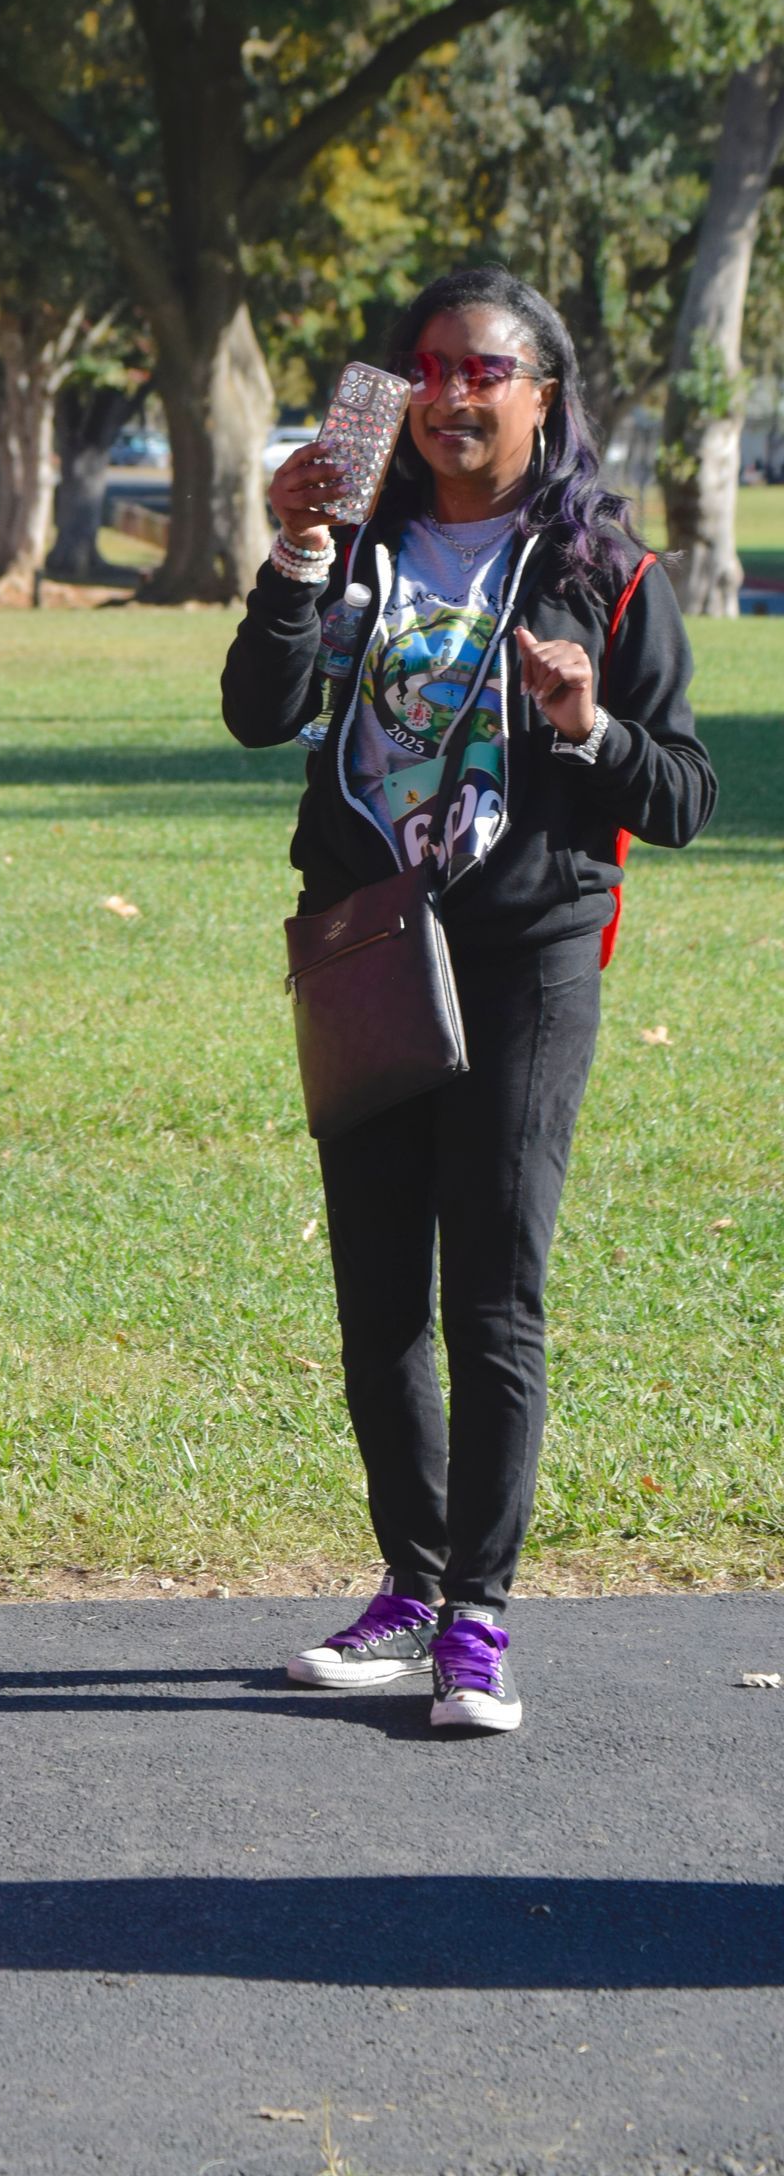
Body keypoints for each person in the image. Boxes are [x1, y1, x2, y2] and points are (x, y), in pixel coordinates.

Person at [221, 265, 715, 1736]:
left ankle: (479, 1619)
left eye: (483, 370)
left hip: (522, 961)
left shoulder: (607, 570)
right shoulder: (358, 543)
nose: (448, 394)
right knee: (378, 1296)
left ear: (543, 396)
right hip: (368, 946)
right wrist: (297, 553)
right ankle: (412, 1586)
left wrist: (590, 724)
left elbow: (684, 795)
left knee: (492, 1291)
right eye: (427, 368)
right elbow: (258, 713)